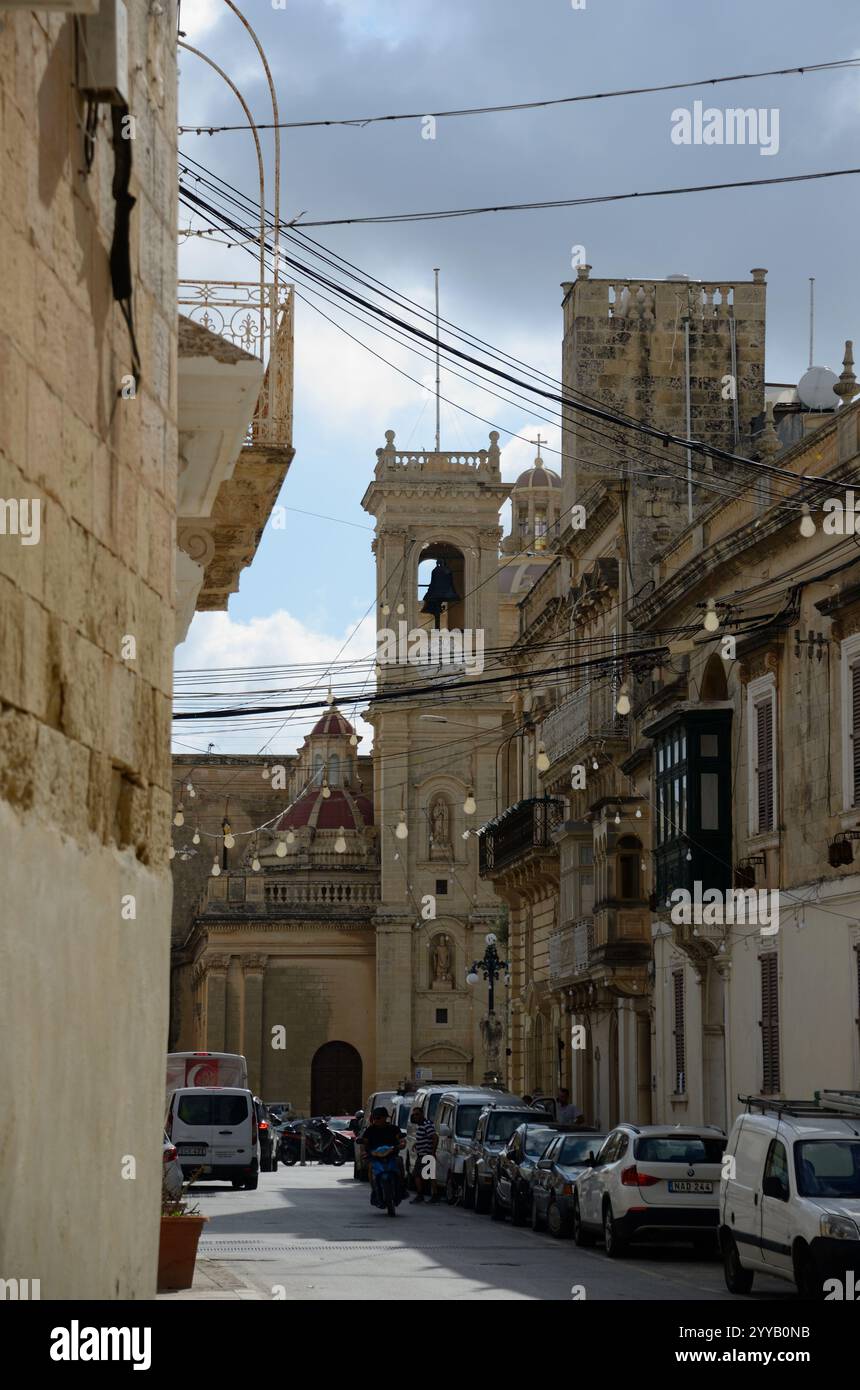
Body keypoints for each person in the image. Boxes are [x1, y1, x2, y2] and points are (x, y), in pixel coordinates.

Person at [359, 1107, 404, 1209]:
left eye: (378, 1118)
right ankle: (374, 1190)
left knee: (399, 1162)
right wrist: (363, 1152)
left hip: (391, 1155)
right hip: (375, 1156)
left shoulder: (394, 1128)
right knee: (371, 1167)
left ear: (385, 1118)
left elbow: (400, 1138)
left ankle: (401, 1187)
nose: (376, 1120)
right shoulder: (370, 1130)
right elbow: (364, 1142)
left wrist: (401, 1143)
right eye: (374, 1118)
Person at [410, 1106, 439, 1204]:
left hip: (425, 1154)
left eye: (417, 1114)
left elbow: (435, 1137)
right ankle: (434, 1196)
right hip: (423, 1153)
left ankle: (420, 1195)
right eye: (414, 1115)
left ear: (422, 1114)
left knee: (416, 1174)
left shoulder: (426, 1124)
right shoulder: (421, 1125)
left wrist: (432, 1152)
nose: (415, 1116)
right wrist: (416, 1143)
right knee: (430, 1175)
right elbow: (425, 1137)